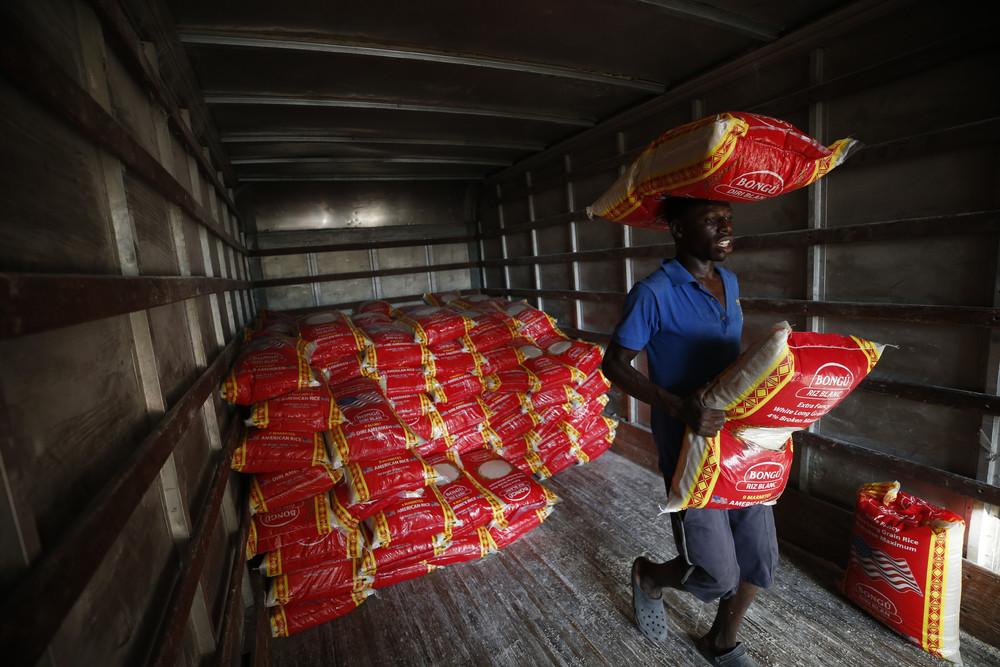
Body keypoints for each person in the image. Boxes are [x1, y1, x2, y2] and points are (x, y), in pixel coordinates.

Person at [601, 197, 775, 667]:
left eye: (728, 219)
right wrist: (678, 405)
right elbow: (614, 365)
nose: (726, 227)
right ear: (678, 229)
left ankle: (721, 641)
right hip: (689, 445)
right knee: (717, 573)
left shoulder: (728, 281)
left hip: (739, 441)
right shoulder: (654, 292)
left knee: (758, 559)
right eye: (712, 220)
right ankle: (652, 576)